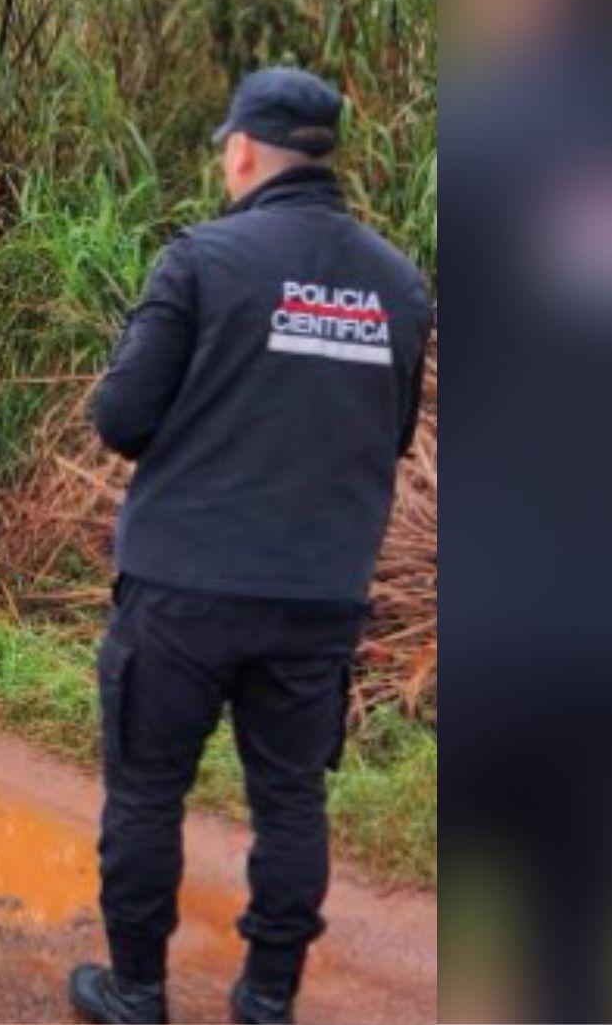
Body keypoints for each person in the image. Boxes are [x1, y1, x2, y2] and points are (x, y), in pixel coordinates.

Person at [66, 67, 432, 1025]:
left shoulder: (201, 260)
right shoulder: (399, 285)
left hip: (183, 589)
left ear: (239, 151)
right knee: (290, 800)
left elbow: (120, 418)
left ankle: (136, 991)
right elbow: (385, 437)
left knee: (146, 793)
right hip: (316, 595)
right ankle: (266, 1000)